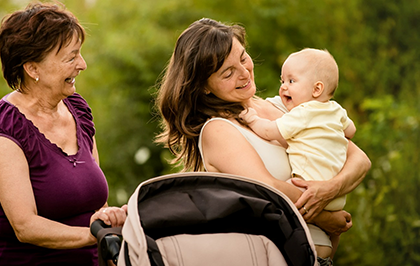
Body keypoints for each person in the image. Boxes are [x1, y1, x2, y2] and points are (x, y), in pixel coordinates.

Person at [155, 18, 371, 266]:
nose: (245, 73)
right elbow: (268, 188)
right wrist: (324, 218)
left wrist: (329, 189)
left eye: (243, 58)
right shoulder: (218, 130)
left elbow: (359, 159)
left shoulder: (284, 105)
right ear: (204, 86)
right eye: (228, 72)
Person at [0, 1, 127, 265]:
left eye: (79, 54)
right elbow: (25, 226)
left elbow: (95, 208)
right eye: (71, 57)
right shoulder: (4, 129)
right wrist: (97, 236)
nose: (83, 64)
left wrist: (108, 222)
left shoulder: (77, 110)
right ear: (32, 68)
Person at [239, 48, 357, 256]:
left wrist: (252, 119)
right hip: (338, 198)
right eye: (282, 80)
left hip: (307, 188)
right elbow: (351, 130)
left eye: (291, 81)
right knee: (330, 236)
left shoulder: (302, 113)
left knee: (277, 193)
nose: (283, 87)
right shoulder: (336, 109)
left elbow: (270, 131)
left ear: (316, 89)